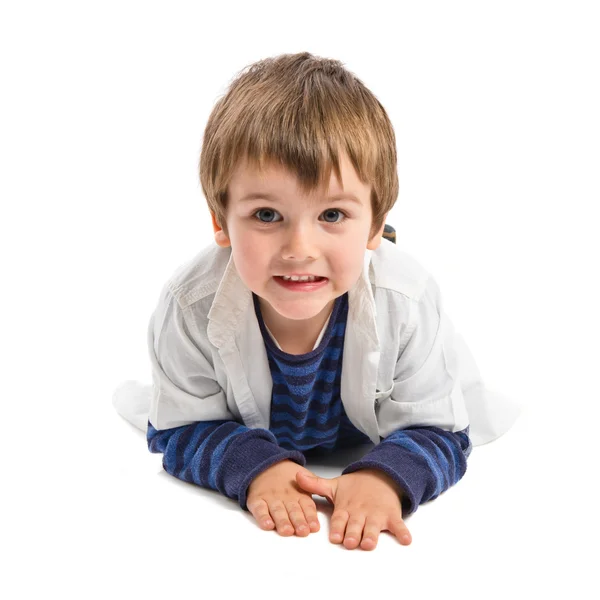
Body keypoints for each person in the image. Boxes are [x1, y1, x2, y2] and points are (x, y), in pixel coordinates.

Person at [112, 51, 520, 551]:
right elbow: (181, 428)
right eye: (266, 215)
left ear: (374, 225)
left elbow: (440, 430)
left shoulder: (406, 301)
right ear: (220, 221)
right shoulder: (190, 304)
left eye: (332, 215)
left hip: (368, 431)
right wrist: (258, 468)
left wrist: (384, 478)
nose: (299, 249)